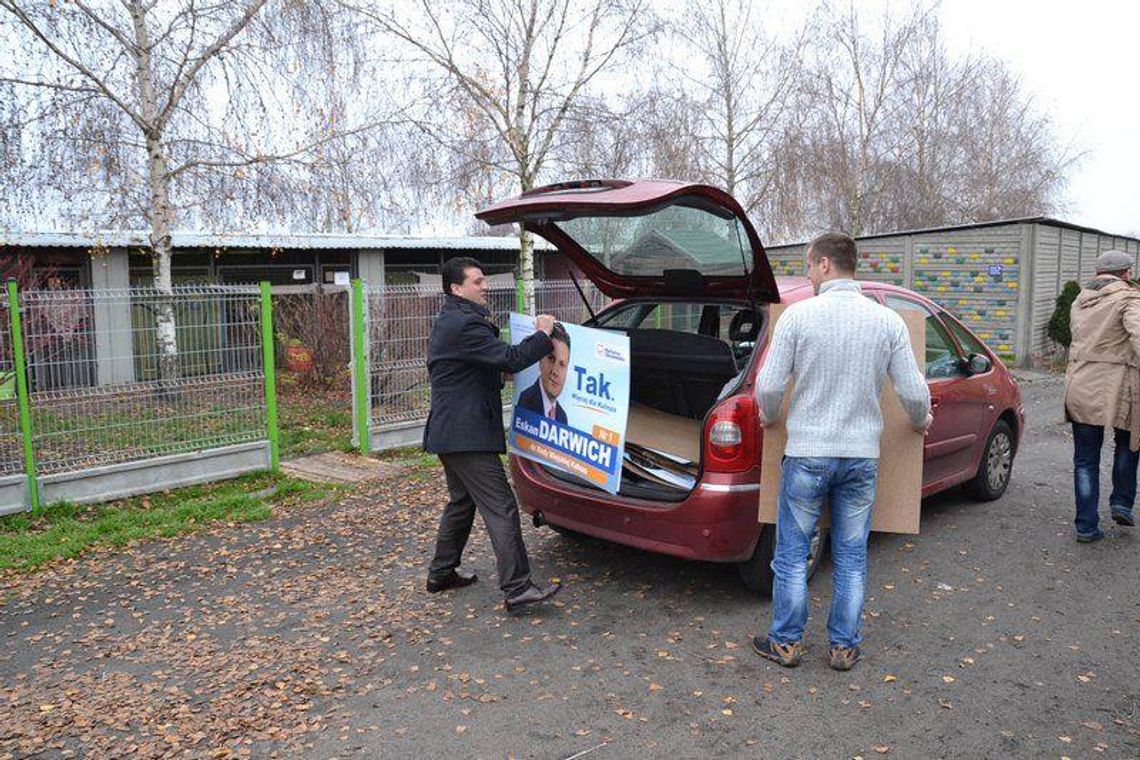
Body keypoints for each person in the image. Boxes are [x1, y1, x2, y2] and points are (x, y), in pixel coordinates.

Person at [752, 232, 932, 671]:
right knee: (851, 555)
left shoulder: (797, 318)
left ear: (826, 265)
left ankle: (786, 643)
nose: (808, 274)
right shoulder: (886, 322)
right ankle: (843, 647)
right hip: (860, 458)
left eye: (810, 266)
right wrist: (921, 420)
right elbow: (913, 391)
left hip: (807, 454)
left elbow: (769, 385)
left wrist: (769, 415)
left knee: (793, 552)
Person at [423, 257, 563, 611]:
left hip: (450, 431)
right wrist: (544, 334)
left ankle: (441, 573)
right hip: (466, 434)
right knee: (501, 506)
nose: (484, 287)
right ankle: (517, 589)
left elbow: (481, 367)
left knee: (461, 501)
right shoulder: (465, 325)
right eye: (478, 281)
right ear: (457, 288)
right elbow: (512, 358)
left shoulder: (454, 320)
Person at [1063, 249, 1140, 542]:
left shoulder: (1079, 302)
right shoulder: (1129, 299)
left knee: (1085, 459)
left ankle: (1086, 526)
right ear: (1126, 273)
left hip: (1081, 385)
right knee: (1128, 445)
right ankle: (1121, 502)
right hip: (1122, 387)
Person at [516, 322, 570, 424]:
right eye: (551, 359)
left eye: (562, 364)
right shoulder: (525, 400)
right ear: (540, 360)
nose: (555, 371)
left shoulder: (562, 416)